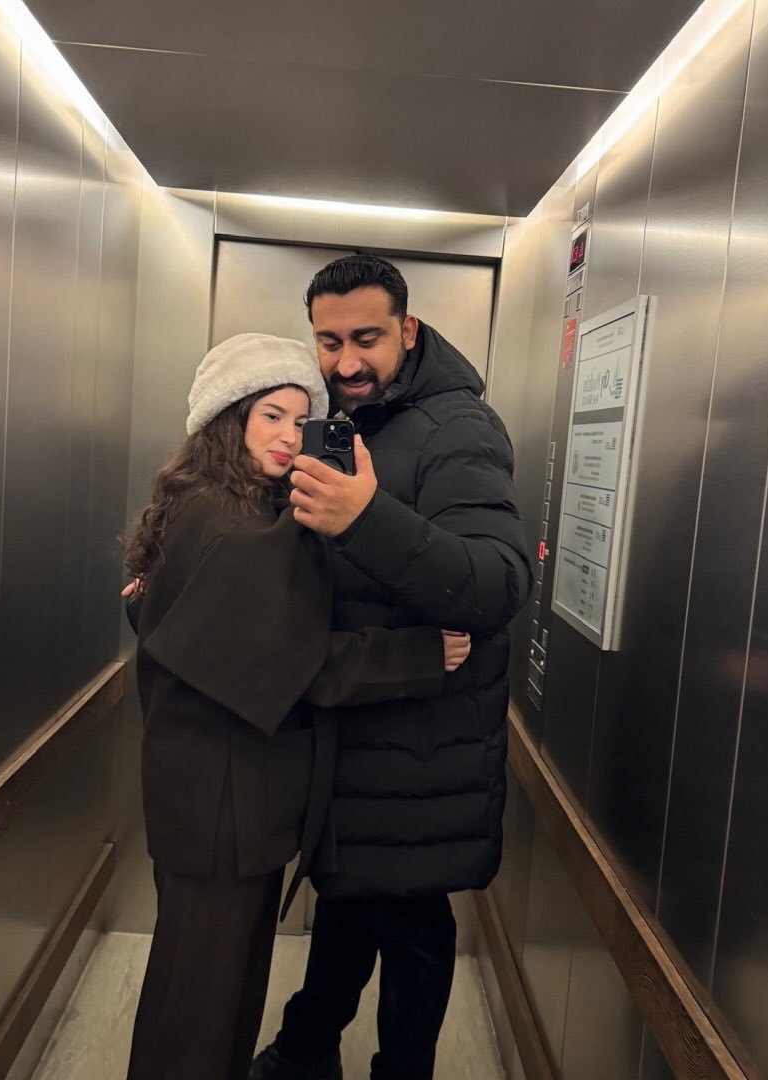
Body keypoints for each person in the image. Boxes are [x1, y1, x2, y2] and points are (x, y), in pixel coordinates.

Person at [121, 332, 472, 1080]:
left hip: (216, 800)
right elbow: (297, 662)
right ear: (230, 420)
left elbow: (199, 626)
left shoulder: (219, 502)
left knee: (213, 992)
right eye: (271, 416)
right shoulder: (228, 522)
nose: (288, 435)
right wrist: (418, 656)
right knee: (200, 1007)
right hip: (222, 806)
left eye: (301, 419)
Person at [252, 257, 532, 1080]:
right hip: (351, 729)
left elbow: (497, 583)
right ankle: (307, 1049)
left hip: (423, 749)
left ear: (408, 330)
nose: (346, 361)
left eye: (366, 338)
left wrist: (365, 518)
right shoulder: (338, 419)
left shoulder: (459, 428)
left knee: (411, 927)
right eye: (329, 340)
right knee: (350, 900)